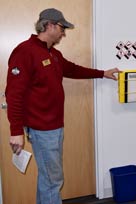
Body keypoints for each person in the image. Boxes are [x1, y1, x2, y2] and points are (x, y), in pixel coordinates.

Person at [5, 8, 120, 204]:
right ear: (48, 25)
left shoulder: (53, 54)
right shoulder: (25, 51)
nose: (64, 33)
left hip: (55, 126)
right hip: (41, 128)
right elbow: (13, 94)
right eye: (62, 27)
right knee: (53, 179)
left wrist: (102, 73)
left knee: (48, 178)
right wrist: (15, 130)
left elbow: (73, 70)